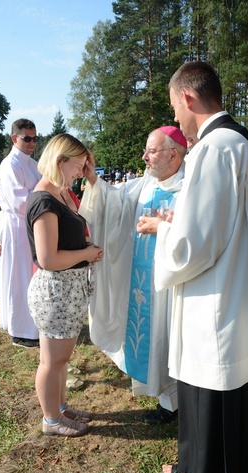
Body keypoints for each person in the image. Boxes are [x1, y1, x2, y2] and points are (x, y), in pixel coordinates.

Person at [139, 61, 248, 473]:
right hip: (243, 288)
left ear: (189, 99)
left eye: (175, 107)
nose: (176, 119)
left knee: (212, 382)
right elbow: (226, 224)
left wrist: (162, 230)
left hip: (214, 299)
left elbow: (196, 245)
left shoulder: (213, 150)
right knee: (240, 386)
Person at [80, 126, 187, 425]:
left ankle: (181, 401)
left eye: (151, 151)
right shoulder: (145, 185)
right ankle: (166, 400)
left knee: (171, 337)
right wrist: (91, 178)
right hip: (142, 284)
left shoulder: (192, 188)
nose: (144, 158)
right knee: (149, 335)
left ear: (173, 154)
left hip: (174, 285)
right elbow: (113, 204)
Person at [26, 133, 103, 437]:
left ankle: (59, 408)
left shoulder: (58, 193)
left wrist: (89, 173)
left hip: (66, 289)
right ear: (60, 160)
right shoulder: (44, 200)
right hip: (55, 291)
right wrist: (86, 253)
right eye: (77, 166)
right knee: (52, 361)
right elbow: (47, 258)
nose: (79, 172)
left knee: (60, 359)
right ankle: (51, 420)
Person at [0, 118, 41, 348]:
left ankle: (33, 324)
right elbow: (19, 202)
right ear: (14, 138)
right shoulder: (10, 165)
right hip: (18, 226)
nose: (32, 142)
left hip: (32, 225)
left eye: (35, 138)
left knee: (31, 277)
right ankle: (20, 330)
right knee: (19, 276)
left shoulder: (32, 164)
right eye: (27, 138)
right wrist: (43, 197)